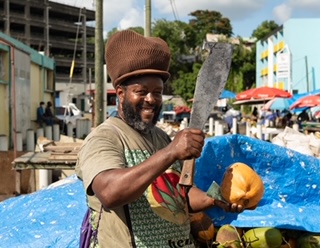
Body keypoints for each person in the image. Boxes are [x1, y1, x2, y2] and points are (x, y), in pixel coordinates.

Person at [75, 30, 243, 248]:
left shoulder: (160, 137)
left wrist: (215, 199)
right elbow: (109, 192)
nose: (151, 99)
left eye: (157, 92)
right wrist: (171, 152)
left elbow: (179, 196)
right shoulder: (105, 138)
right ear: (120, 93)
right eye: (141, 91)